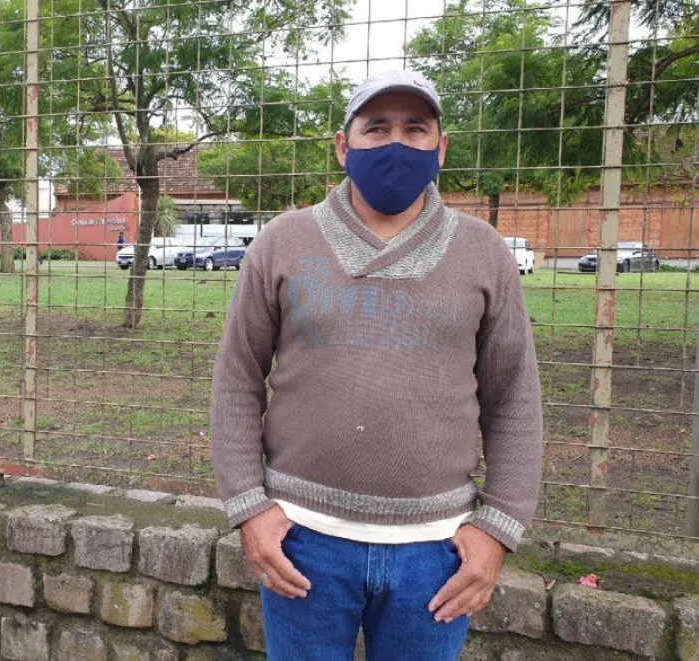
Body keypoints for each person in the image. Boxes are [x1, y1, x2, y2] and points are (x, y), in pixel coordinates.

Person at [209, 70, 543, 661]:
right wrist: (248, 509)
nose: (396, 144)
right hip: (302, 542)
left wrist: (498, 528)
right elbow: (237, 379)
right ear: (344, 145)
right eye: (376, 128)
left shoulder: (483, 252)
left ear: (441, 148)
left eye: (415, 129)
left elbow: (513, 397)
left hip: (437, 553)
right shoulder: (282, 242)